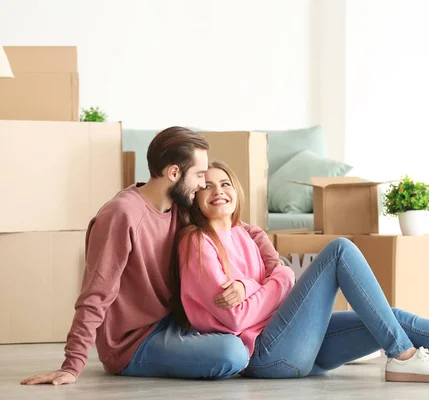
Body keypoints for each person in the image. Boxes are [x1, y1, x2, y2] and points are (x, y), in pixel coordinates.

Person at [173, 161, 429, 385]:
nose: (218, 190)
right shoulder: (197, 242)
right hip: (264, 354)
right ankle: (402, 356)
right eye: (207, 185)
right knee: (339, 251)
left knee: (394, 318)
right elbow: (235, 317)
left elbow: (283, 281)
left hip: (295, 342)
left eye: (225, 182)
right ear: (194, 197)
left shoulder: (249, 234)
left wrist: (256, 284)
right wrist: (270, 286)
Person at [21, 126, 280, 386]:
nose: (203, 184)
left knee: (244, 336)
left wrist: (269, 268)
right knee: (231, 352)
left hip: (177, 324)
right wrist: (72, 365)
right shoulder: (121, 215)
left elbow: (240, 226)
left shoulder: (181, 205)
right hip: (133, 343)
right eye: (200, 175)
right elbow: (95, 294)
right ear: (174, 173)